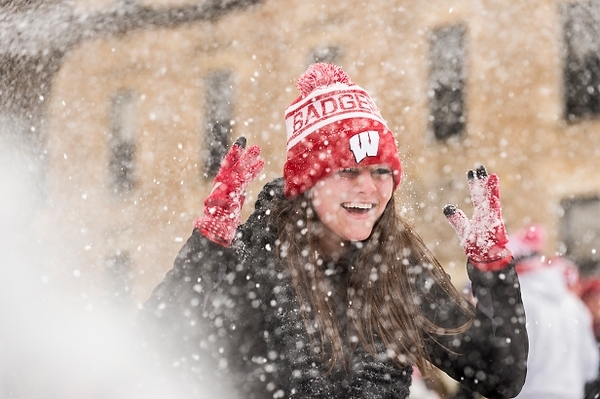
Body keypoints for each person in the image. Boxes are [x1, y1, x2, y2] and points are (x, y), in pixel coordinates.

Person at [137, 63, 528, 399]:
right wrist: (209, 242)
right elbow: (153, 344)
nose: (369, 188)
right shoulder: (256, 255)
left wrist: (493, 271)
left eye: (381, 171)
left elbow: (499, 376)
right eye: (347, 171)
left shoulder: (397, 264)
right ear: (309, 182)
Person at [506, 224, 598, 399]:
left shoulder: (516, 303)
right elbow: (590, 366)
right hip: (571, 393)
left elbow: (511, 364)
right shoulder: (573, 305)